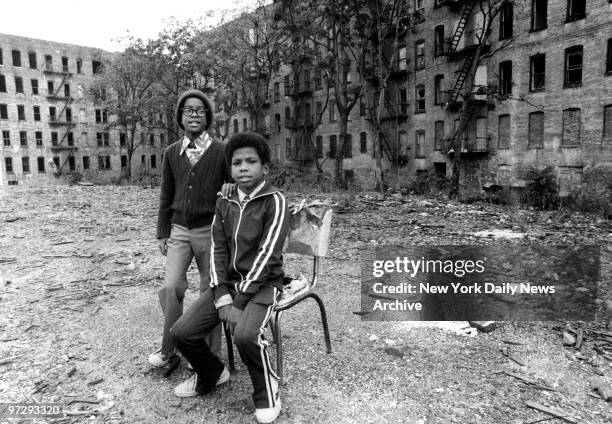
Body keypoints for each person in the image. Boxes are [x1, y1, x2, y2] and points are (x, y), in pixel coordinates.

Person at [171, 132, 290, 424]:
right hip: (230, 286)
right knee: (182, 332)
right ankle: (212, 373)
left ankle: (266, 392)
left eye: (251, 161)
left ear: (265, 167)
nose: (244, 168)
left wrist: (238, 302)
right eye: (237, 162)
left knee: (245, 335)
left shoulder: (275, 202)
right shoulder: (224, 200)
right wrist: (222, 293)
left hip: (264, 285)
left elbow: (266, 256)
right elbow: (218, 249)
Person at [150, 89, 231, 368]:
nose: (194, 114)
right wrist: (163, 231)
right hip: (180, 230)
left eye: (199, 110)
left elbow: (232, 188)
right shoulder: (172, 152)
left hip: (211, 231)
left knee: (210, 290)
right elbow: (166, 193)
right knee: (171, 287)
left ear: (207, 116)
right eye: (188, 110)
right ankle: (169, 348)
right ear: (180, 117)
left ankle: (208, 356)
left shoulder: (221, 150)